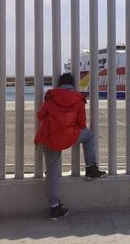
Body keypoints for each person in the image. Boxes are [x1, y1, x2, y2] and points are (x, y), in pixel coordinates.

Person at [35, 73, 106, 220]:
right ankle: (90, 168)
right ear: (73, 84)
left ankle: (54, 208)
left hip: (49, 138)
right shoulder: (78, 99)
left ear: (59, 84)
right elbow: (81, 123)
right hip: (68, 136)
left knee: (52, 174)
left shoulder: (51, 97)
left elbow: (40, 115)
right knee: (89, 136)